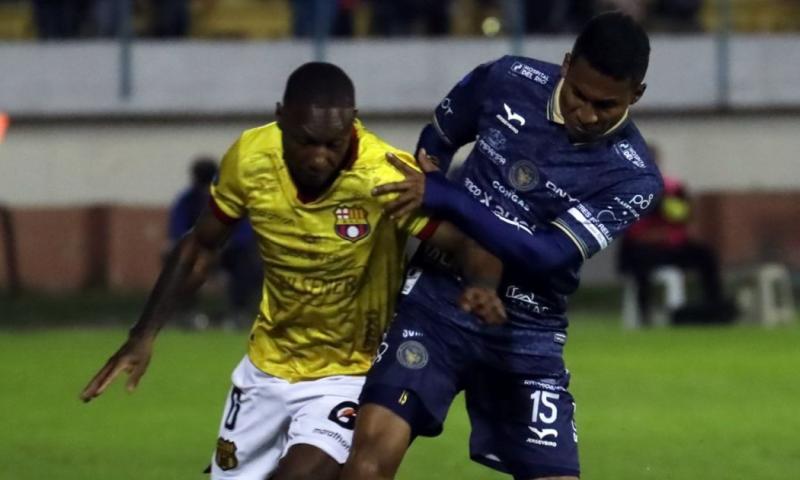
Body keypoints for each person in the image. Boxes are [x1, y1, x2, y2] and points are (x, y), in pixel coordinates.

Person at [79, 62, 504, 480]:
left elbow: (469, 241)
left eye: (334, 144)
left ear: (353, 124)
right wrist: (143, 335)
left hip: (348, 373)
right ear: (281, 117)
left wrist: (484, 284)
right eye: (306, 142)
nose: (320, 158)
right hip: (265, 370)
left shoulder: (384, 175)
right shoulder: (250, 157)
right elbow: (200, 246)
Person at [341, 12, 663, 480]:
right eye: (579, 95)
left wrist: (449, 198)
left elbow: (546, 253)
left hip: (528, 329)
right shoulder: (507, 78)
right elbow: (436, 144)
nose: (588, 114)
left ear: (637, 95)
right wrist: (433, 192)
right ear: (567, 65)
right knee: (368, 463)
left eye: (607, 105)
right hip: (437, 303)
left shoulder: (634, 178)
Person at [618, 144, 734, 325]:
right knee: (641, 265)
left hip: (670, 245)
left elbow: (682, 218)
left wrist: (669, 209)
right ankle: (644, 316)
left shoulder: (672, 188)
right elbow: (630, 229)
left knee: (705, 255)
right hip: (641, 247)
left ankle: (714, 307)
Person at [169, 156, 262, 328]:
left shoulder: (232, 197)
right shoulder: (186, 201)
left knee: (247, 263)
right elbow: (177, 230)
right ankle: (187, 312)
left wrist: (222, 247)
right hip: (197, 251)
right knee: (176, 261)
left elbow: (245, 232)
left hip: (230, 252)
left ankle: (238, 311)